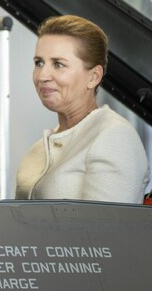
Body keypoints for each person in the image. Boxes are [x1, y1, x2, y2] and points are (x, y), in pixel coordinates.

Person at [15, 15, 149, 203]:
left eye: (58, 64)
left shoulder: (114, 136)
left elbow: (107, 229)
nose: (42, 75)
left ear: (94, 77)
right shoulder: (38, 149)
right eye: (39, 63)